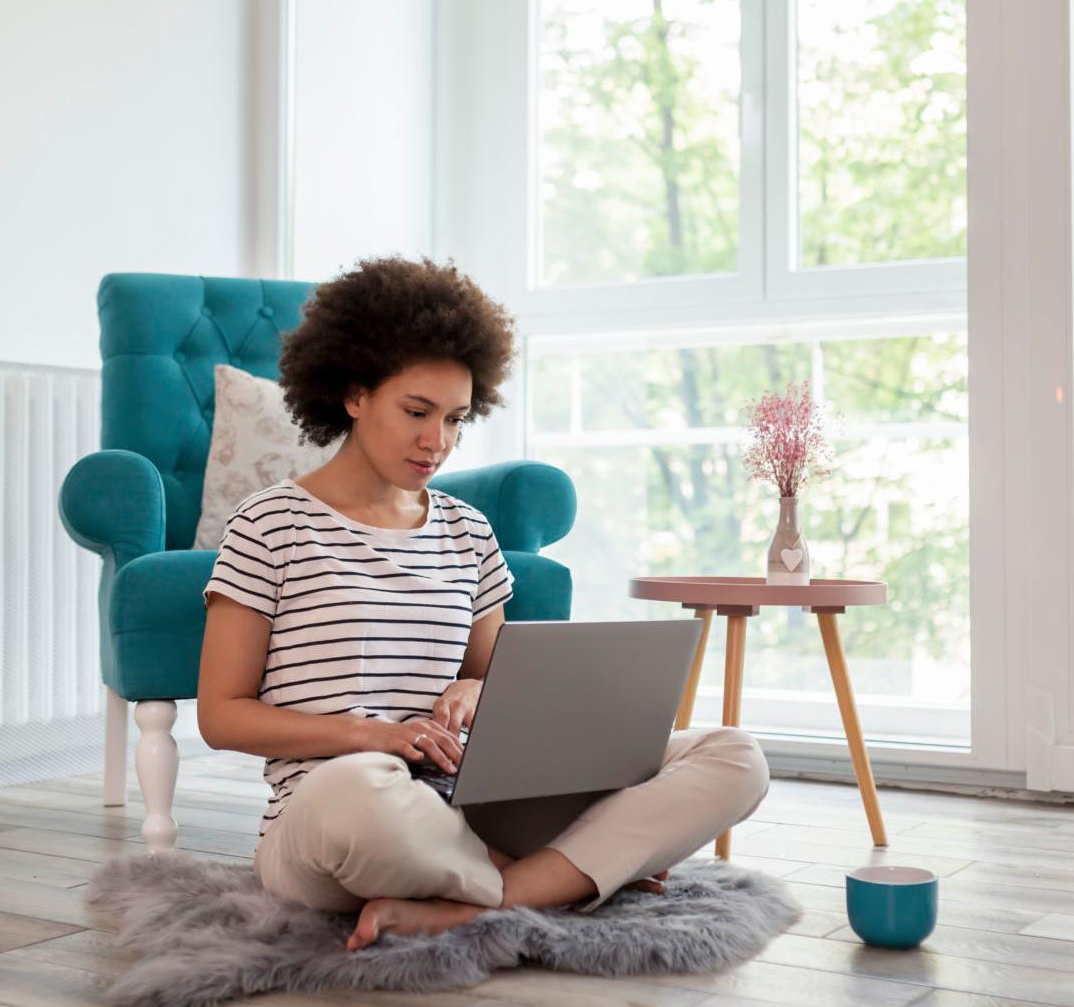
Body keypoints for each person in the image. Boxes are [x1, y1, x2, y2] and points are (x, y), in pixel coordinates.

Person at [196, 256, 770, 952]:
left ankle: (479, 901)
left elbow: (498, 679)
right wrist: (373, 735)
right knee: (361, 792)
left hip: (467, 806)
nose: (435, 441)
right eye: (416, 412)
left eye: (455, 419)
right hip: (338, 812)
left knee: (733, 755)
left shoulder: (466, 531)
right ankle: (565, 880)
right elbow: (221, 716)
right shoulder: (270, 524)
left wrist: (473, 692)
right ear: (353, 395)